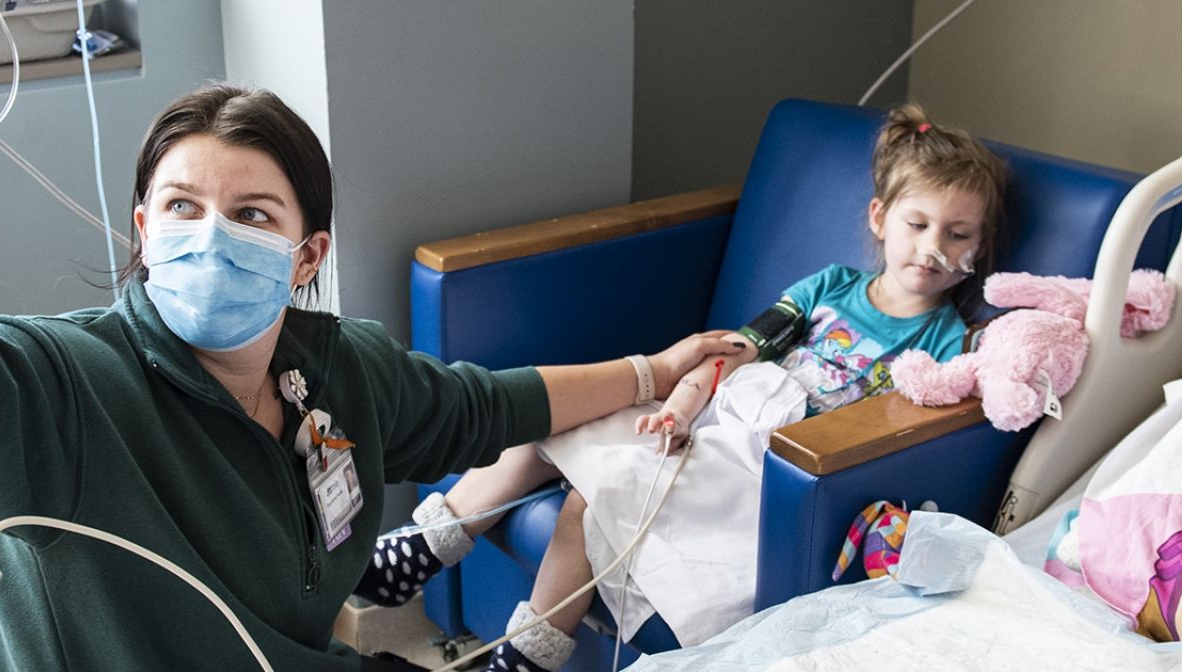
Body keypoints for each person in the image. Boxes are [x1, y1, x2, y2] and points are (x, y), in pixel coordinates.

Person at [0, 2, 742, 670]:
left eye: (253, 215)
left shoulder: (339, 374)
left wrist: (652, 369)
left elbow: (487, 405)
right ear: (141, 231)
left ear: (307, 254)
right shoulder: (56, 394)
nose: (212, 237)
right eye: (184, 209)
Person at [353, 104, 1010, 672]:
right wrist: (680, 406)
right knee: (552, 422)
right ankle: (422, 546)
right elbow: (735, 349)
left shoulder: (948, 342)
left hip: (774, 463)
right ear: (879, 217)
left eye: (958, 235)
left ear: (978, 250)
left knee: (588, 502)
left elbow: (924, 427)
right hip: (720, 411)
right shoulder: (830, 288)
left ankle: (523, 656)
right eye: (917, 224)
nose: (931, 248)